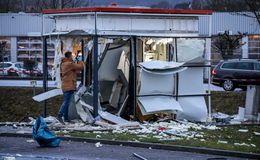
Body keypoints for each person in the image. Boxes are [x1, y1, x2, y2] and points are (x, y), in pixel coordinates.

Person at [57, 51, 84, 124]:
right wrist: (80, 60)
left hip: (66, 85)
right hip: (69, 85)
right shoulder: (69, 64)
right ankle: (60, 115)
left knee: (67, 102)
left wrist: (75, 61)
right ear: (69, 57)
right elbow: (80, 67)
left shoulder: (64, 63)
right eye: (72, 56)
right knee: (66, 102)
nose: (73, 57)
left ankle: (66, 118)